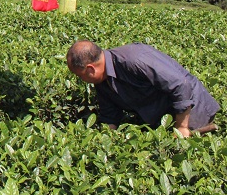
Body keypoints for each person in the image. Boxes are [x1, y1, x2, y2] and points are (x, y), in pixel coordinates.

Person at [66, 40, 220, 137]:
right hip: (163, 122)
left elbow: (181, 85)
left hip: (194, 113)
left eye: (80, 76)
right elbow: (110, 116)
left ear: (91, 69)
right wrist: (105, 140)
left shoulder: (135, 60)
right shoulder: (102, 81)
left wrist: (182, 127)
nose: (82, 80)